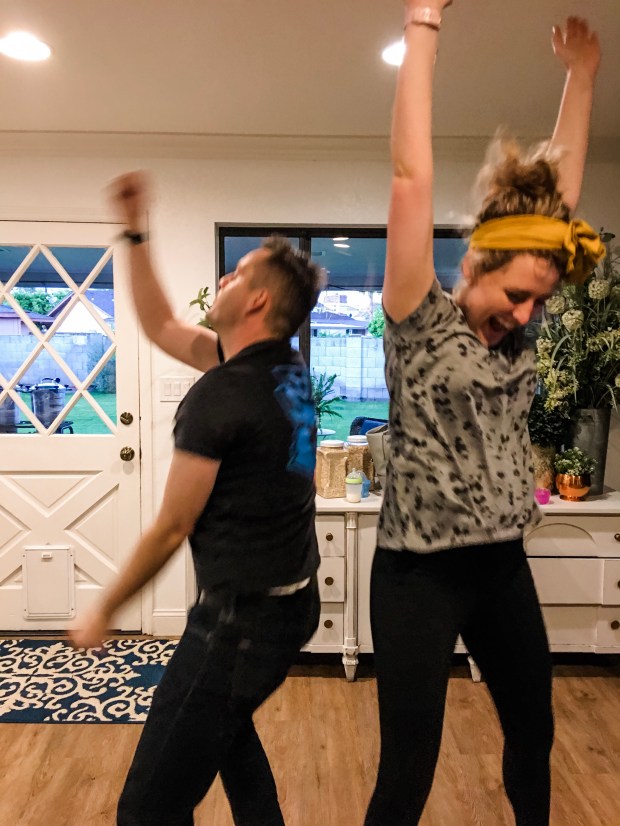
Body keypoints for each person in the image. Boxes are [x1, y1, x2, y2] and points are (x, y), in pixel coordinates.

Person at [365, 4, 603, 825]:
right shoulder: (418, 315)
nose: (527, 314)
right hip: (417, 575)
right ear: (474, 263)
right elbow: (410, 176)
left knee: (534, 736)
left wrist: (581, 77)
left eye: (540, 300)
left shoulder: (520, 326)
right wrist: (423, 23)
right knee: (408, 770)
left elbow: (558, 204)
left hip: (502, 566)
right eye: (516, 294)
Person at [71, 171, 323, 826]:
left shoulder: (222, 394)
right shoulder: (285, 371)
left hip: (239, 626)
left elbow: (171, 526)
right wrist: (135, 232)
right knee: (229, 738)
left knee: (146, 808)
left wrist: (103, 608)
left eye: (238, 274)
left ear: (257, 300)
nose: (223, 280)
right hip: (293, 605)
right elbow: (161, 324)